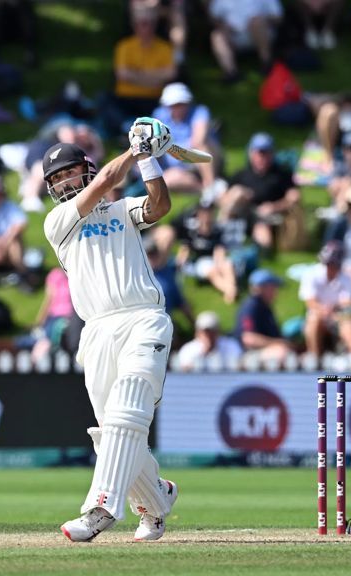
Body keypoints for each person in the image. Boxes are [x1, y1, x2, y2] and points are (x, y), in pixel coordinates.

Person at [41, 116, 178, 542]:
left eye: (68, 172)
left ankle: (100, 509)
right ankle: (156, 499)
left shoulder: (122, 211)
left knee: (129, 407)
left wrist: (150, 163)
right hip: (97, 330)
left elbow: (159, 207)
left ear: (83, 167)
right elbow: (103, 182)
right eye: (56, 179)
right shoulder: (59, 222)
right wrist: (136, 150)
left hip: (143, 317)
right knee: (113, 433)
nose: (64, 183)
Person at [222, 132, 306, 254]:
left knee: (264, 243)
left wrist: (274, 206)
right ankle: (220, 233)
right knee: (237, 192)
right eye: (258, 153)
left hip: (266, 217)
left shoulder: (281, 175)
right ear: (251, 154)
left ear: (272, 154)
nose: (262, 157)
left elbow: (294, 197)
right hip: (243, 212)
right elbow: (223, 197)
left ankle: (258, 251)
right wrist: (243, 197)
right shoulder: (242, 174)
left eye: (266, 153)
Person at [101, 4, 177, 137]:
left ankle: (136, 130)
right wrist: (154, 77)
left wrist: (135, 75)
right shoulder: (124, 46)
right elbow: (122, 74)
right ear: (134, 26)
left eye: (149, 23)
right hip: (126, 98)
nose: (146, 28)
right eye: (142, 23)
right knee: (104, 100)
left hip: (153, 99)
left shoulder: (165, 47)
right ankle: (127, 129)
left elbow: (170, 74)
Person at [151, 82, 223, 195]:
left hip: (201, 158)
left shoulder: (200, 111)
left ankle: (210, 184)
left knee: (202, 147)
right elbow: (155, 144)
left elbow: (198, 140)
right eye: (173, 105)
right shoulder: (159, 115)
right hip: (178, 167)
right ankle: (206, 192)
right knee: (166, 180)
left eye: (180, 104)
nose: (177, 108)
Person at [298, 240, 351, 360]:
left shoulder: (346, 277)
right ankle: (314, 359)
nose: (330, 267)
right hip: (321, 315)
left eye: (333, 264)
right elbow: (311, 302)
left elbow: (346, 303)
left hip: (339, 316)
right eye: (327, 263)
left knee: (347, 326)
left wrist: (335, 311)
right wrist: (324, 310)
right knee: (313, 319)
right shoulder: (311, 274)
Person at [207, 0, 283, 82]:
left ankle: (267, 63)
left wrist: (261, 20)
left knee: (256, 21)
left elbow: (278, 18)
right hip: (235, 35)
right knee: (217, 35)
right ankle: (231, 72)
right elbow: (214, 18)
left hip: (264, 32)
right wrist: (224, 26)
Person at [233, 268, 294, 364]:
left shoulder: (265, 307)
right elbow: (249, 339)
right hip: (246, 355)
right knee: (281, 352)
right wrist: (279, 343)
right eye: (272, 287)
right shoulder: (251, 306)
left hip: (261, 352)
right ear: (260, 288)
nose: (275, 291)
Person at [176, 310, 242, 371]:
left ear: (218, 331)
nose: (209, 335)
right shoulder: (188, 349)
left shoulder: (231, 345)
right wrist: (204, 352)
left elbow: (238, 367)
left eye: (212, 331)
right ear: (198, 333)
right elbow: (185, 371)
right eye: (205, 332)